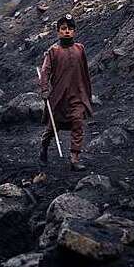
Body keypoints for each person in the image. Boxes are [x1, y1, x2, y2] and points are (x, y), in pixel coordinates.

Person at [38, 14, 92, 171]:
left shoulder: (80, 49)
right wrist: (44, 89)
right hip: (59, 98)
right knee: (52, 128)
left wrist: (86, 92)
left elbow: (85, 71)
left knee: (78, 123)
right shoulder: (53, 52)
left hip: (77, 95)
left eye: (70, 29)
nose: (66, 31)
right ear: (58, 32)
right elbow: (45, 71)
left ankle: (74, 158)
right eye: (63, 29)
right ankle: (44, 147)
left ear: (74, 31)